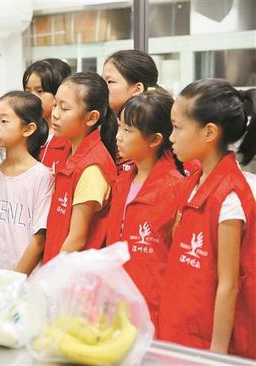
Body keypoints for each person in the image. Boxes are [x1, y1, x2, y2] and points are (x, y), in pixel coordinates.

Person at [158, 80, 255, 358]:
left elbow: (229, 285)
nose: (171, 137)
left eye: (177, 127)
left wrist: (216, 356)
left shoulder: (230, 199)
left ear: (209, 132)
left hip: (207, 342)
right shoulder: (193, 182)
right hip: (180, 328)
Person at [105, 88, 185, 331]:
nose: (118, 136)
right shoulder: (122, 180)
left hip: (153, 311)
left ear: (155, 139)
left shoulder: (176, 189)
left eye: (127, 130)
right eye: (119, 126)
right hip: (117, 303)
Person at [42, 72, 117, 264]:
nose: (55, 114)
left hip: (72, 277)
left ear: (91, 118)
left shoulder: (92, 168)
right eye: (56, 104)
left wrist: (49, 276)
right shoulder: (66, 151)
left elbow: (77, 238)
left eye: (65, 108)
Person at [0, 91, 52, 274]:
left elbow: (39, 239)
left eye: (4, 121)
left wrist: (14, 281)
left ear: (28, 129)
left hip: (24, 282)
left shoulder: (41, 176)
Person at [23, 60, 71, 175]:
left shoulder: (68, 136)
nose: (32, 97)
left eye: (40, 91)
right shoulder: (25, 132)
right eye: (27, 91)